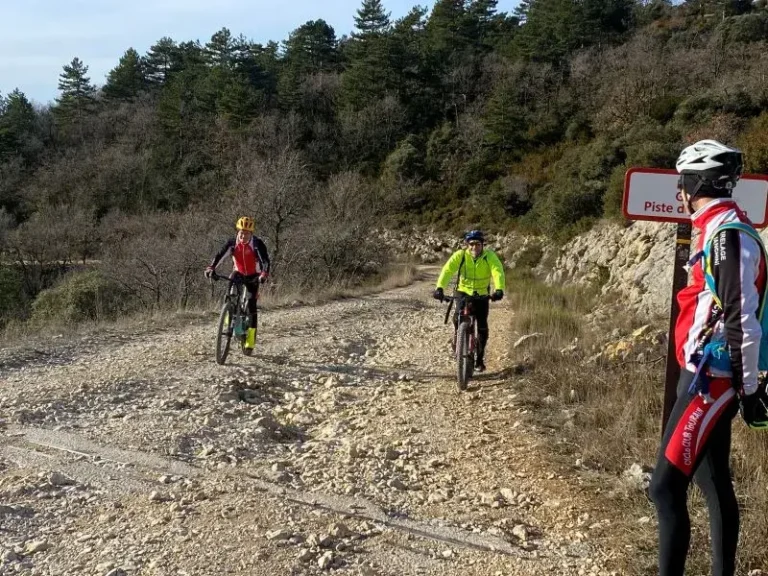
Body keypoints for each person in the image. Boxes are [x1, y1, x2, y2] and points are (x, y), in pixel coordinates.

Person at [649, 140, 768, 576]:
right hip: (705, 372)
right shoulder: (719, 226)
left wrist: (750, 389)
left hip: (711, 378)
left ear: (694, 183)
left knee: (663, 489)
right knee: (712, 480)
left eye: (682, 181)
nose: (679, 191)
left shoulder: (727, 236)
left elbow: (742, 321)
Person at [433, 230, 505, 372]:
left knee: (482, 327)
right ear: (467, 245)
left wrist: (499, 289)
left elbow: (497, 271)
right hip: (463, 292)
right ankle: (459, 338)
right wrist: (439, 288)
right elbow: (447, 270)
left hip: (481, 295)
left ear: (482, 244)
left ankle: (479, 358)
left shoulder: (489, 256)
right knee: (456, 318)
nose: (474, 247)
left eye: (477, 244)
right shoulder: (460, 256)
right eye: (471, 244)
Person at [205, 216, 270, 351]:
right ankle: (229, 312)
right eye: (241, 232)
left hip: (254, 276)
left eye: (247, 233)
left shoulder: (257, 244)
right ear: (237, 232)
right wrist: (211, 268)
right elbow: (219, 255)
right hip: (239, 272)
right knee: (230, 291)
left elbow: (265, 261)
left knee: (251, 307)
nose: (243, 235)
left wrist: (264, 274)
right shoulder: (232, 243)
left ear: (251, 233)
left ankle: (250, 340)